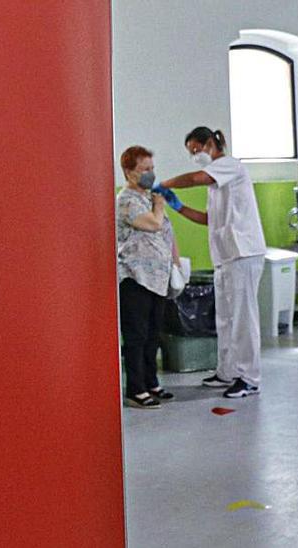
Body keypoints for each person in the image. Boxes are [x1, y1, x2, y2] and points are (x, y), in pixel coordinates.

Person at [155, 127, 267, 399]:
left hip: (244, 253)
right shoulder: (216, 183)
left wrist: (163, 185)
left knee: (242, 319)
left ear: (209, 144)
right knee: (225, 319)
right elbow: (210, 219)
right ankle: (226, 372)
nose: (195, 156)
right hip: (226, 256)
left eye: (196, 150)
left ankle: (249, 377)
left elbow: (197, 177)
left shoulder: (229, 166)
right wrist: (178, 207)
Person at [115, 146, 178, 409]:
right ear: (129, 172)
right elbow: (152, 223)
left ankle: (152, 382)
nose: (151, 174)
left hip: (158, 278)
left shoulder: (149, 197)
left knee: (154, 333)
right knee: (137, 334)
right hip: (135, 277)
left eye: (152, 168)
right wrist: (160, 204)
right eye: (145, 170)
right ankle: (136, 388)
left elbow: (166, 232)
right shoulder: (127, 200)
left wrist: (176, 263)